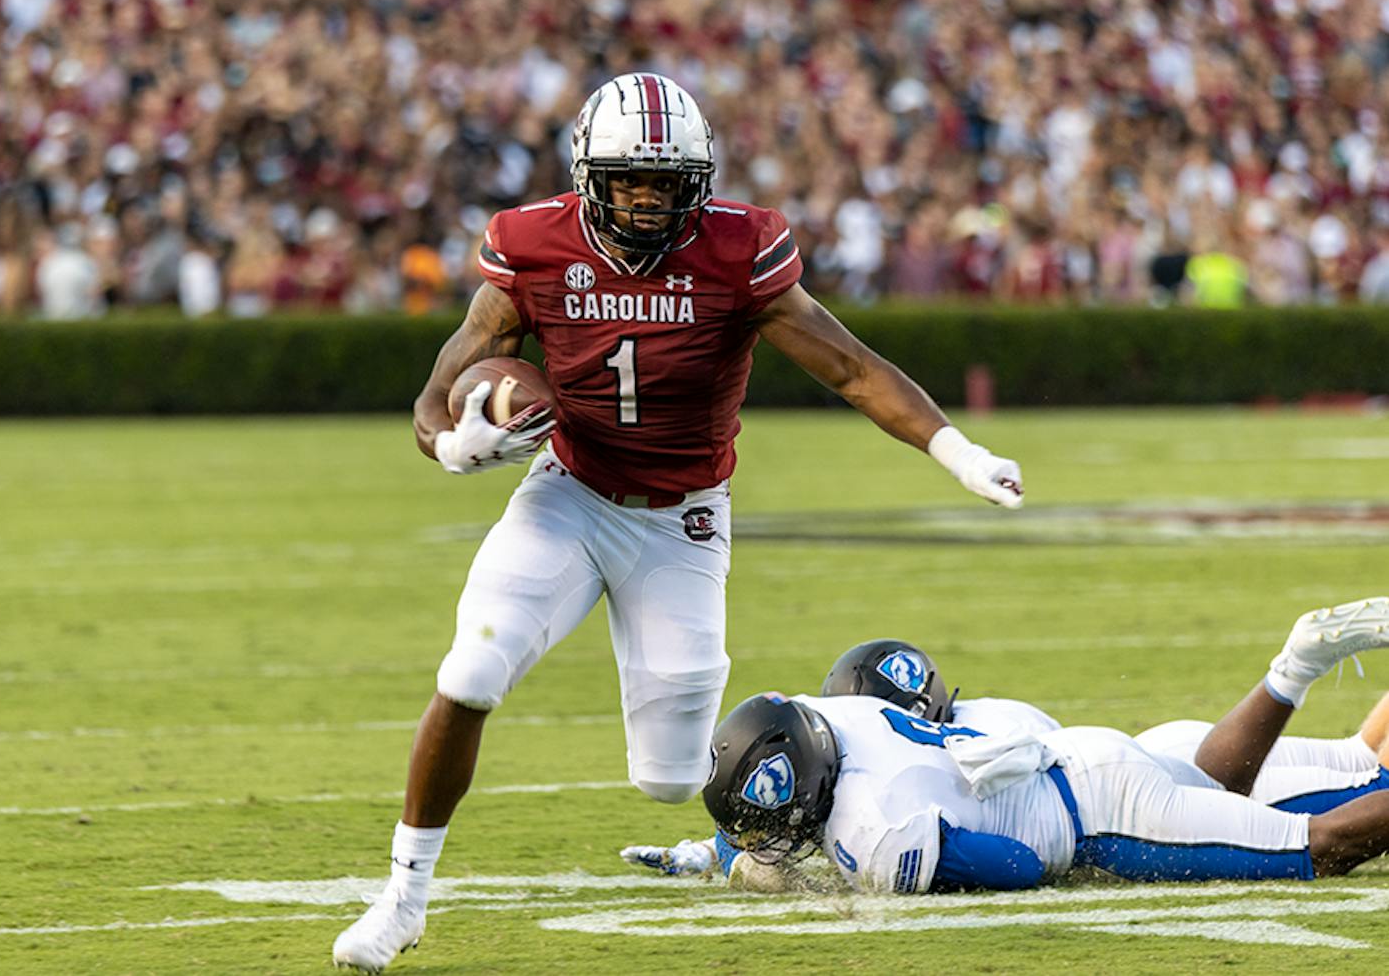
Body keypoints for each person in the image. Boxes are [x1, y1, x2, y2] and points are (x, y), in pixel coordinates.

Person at [332, 73, 1024, 971]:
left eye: (668, 181)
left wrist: (959, 453)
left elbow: (850, 368)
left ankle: (864, 727)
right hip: (568, 496)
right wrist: (452, 444)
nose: (651, 198)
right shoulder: (532, 246)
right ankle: (402, 897)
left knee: (669, 777)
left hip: (682, 521)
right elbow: (443, 385)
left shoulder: (739, 250)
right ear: (589, 176)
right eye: (631, 180)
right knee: (470, 670)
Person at [699, 597, 1389, 895]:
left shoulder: (874, 826)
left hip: (1098, 819)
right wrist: (720, 850)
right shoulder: (835, 709)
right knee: (1247, 787)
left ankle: (1296, 666)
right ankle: (1293, 666)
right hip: (1090, 757)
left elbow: (1021, 864)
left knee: (1317, 845)